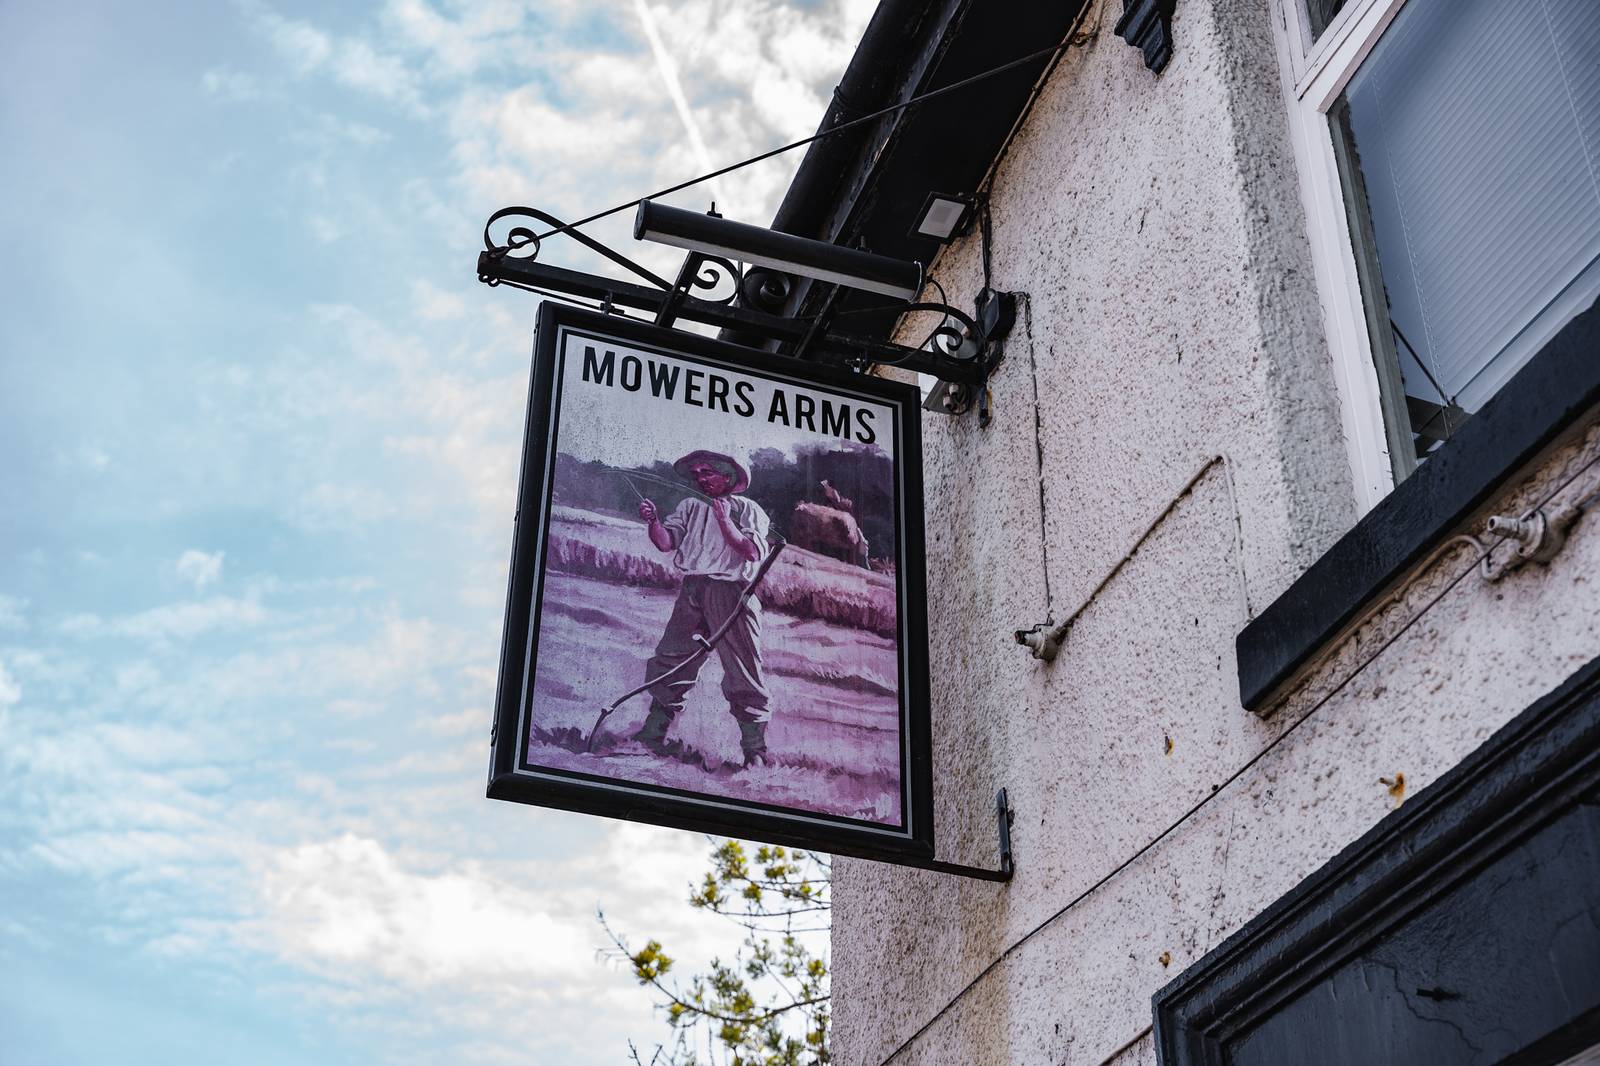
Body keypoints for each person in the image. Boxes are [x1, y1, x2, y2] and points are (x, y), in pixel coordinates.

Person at [634, 449, 773, 767]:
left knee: (743, 670)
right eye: (696, 474)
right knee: (672, 658)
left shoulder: (749, 510)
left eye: (707, 472)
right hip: (693, 590)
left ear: (728, 477)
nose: (700, 478)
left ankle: (755, 753)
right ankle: (653, 734)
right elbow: (666, 543)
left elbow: (750, 551)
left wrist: (725, 519)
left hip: (732, 594)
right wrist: (653, 521)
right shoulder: (689, 506)